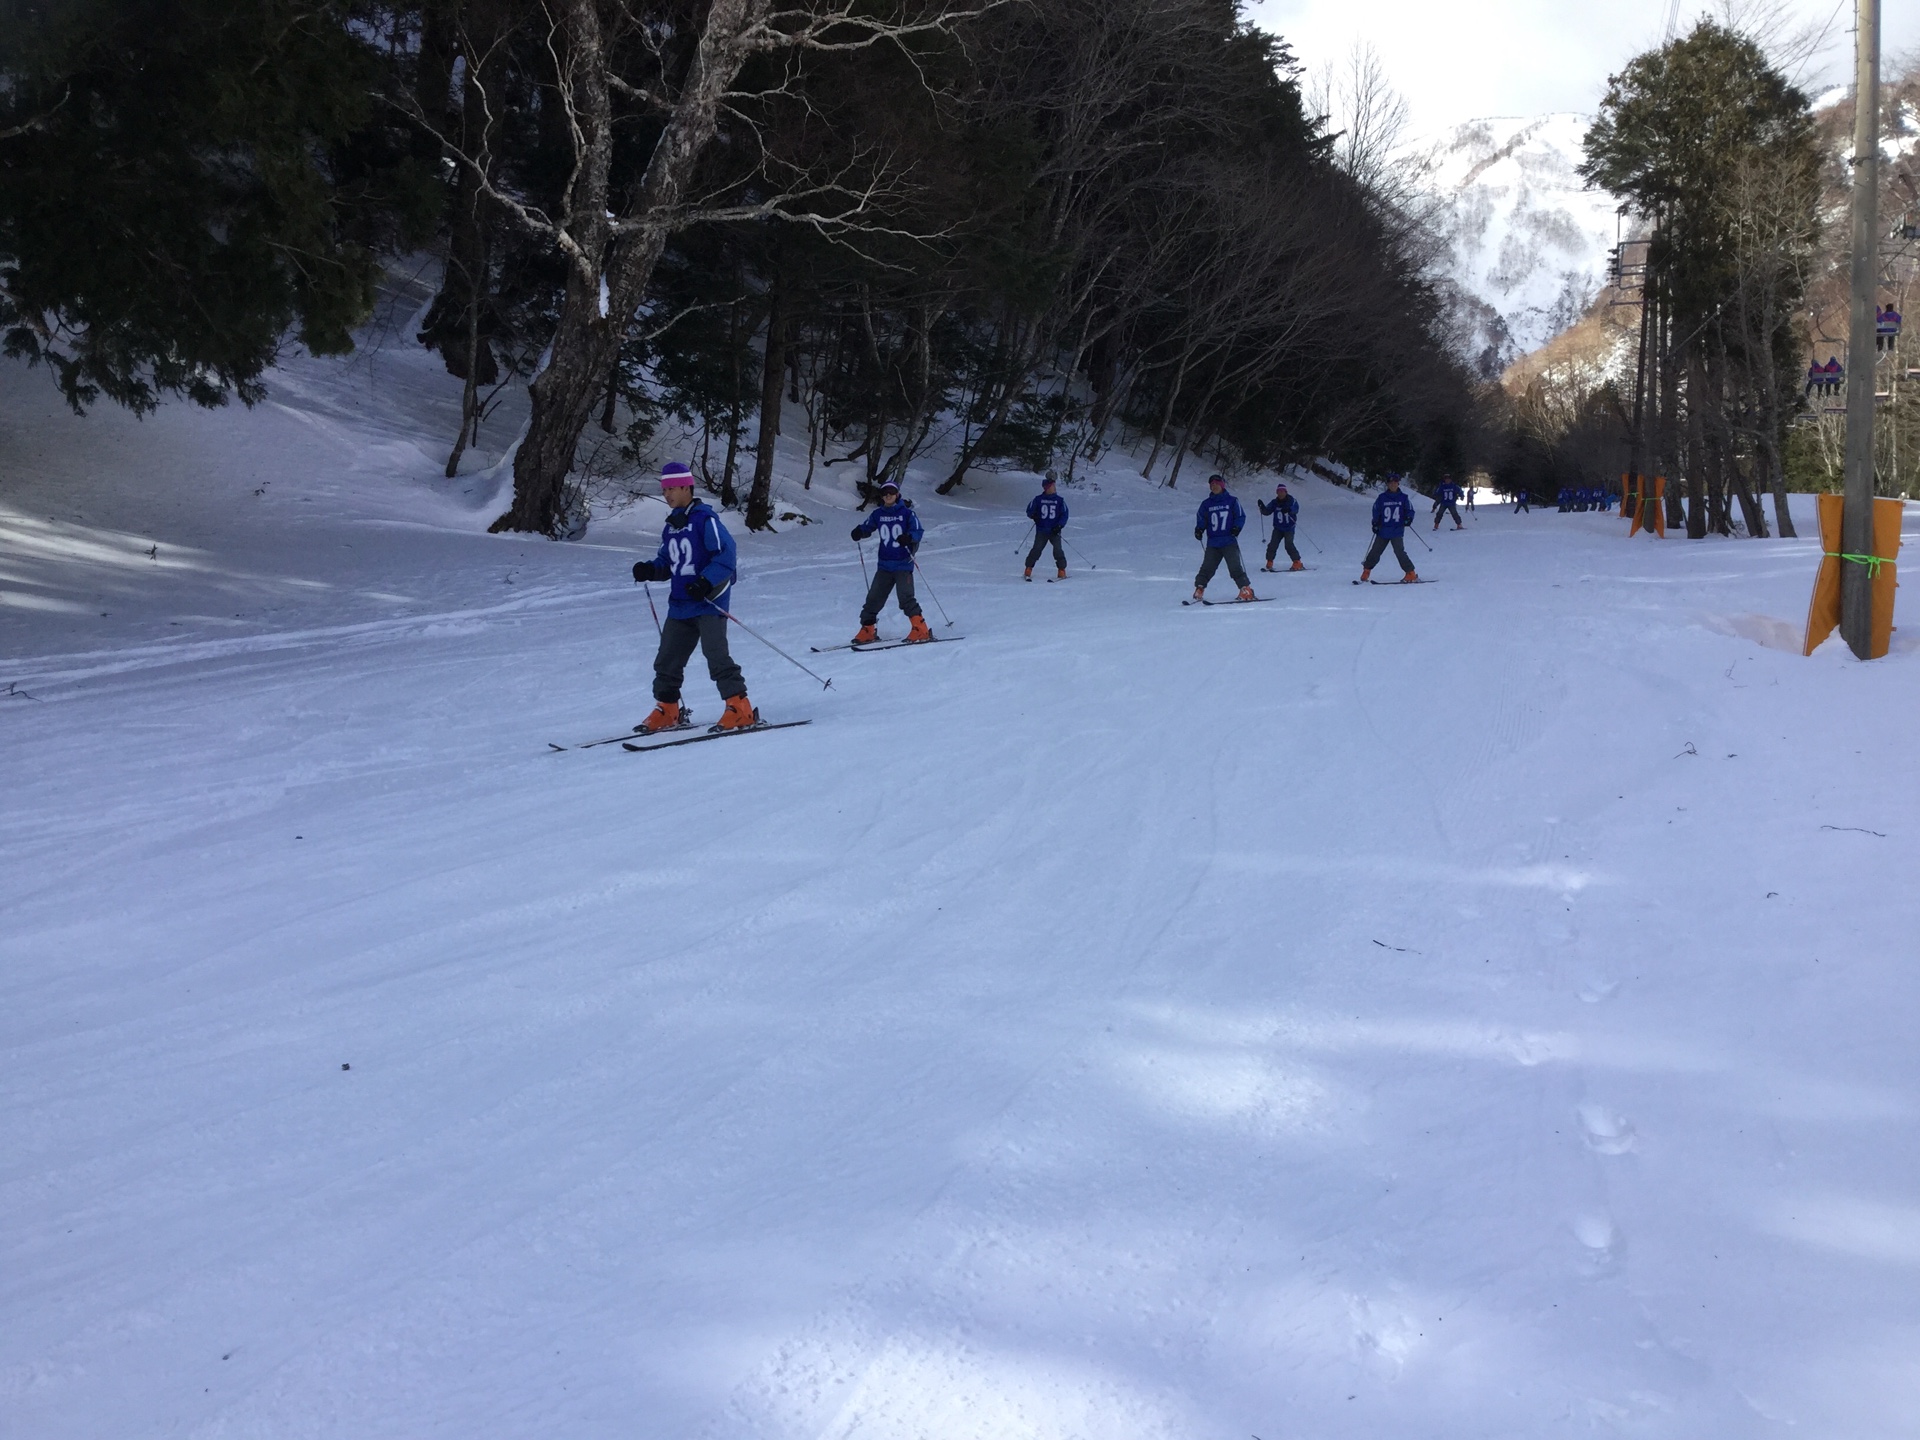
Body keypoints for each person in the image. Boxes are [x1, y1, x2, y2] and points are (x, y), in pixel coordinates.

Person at [630, 460, 754, 733]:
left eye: (672, 489)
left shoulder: (705, 520)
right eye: (664, 490)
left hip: (709, 602)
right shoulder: (672, 526)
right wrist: (650, 569)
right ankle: (668, 709)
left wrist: (705, 582)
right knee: (667, 659)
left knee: (716, 656)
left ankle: (739, 708)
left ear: (687, 487)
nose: (667, 495)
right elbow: (668, 563)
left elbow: (726, 556)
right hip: (680, 604)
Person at [850, 478, 931, 643]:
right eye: (885, 492)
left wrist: (909, 537)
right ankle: (868, 630)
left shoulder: (907, 514)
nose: (888, 495)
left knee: (906, 598)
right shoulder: (878, 514)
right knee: (873, 599)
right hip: (884, 565)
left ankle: (921, 630)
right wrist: (859, 532)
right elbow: (868, 527)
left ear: (897, 494)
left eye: (891, 492)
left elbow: (918, 531)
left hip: (903, 563)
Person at [1193, 473, 1254, 601]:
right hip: (1213, 542)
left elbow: (1240, 516)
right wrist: (1199, 529)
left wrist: (1237, 527)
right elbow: (1201, 517)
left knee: (1234, 567)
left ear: (1222, 485)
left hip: (1228, 541)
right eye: (1212, 485)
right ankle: (1200, 588)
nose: (1214, 486)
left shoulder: (1232, 501)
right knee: (1207, 567)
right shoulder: (1206, 504)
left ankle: (1245, 589)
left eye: (1216, 484)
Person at [1359, 474, 1419, 583]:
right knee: (1375, 551)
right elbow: (1376, 510)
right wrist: (1375, 523)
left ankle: (1411, 573)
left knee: (1399, 552)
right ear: (1387, 484)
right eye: (1390, 483)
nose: (1393, 485)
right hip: (1383, 530)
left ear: (1398, 484)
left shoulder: (1404, 497)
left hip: (1397, 530)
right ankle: (1366, 571)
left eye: (1395, 483)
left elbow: (1410, 510)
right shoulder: (1382, 498)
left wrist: (1409, 518)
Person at [1024, 473, 1069, 579]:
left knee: (1058, 550)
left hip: (1054, 531)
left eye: (1054, 486)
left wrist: (1060, 525)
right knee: (1036, 549)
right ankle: (1028, 568)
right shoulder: (1038, 499)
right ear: (1046, 488)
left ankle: (1061, 569)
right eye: (1052, 487)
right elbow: (1029, 510)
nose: (1054, 488)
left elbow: (1065, 514)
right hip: (1042, 530)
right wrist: (1034, 515)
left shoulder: (1059, 500)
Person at [1258, 481, 1302, 571]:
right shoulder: (1274, 502)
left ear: (1286, 492)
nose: (1281, 494)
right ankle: (1269, 562)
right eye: (1279, 492)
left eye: (1282, 491)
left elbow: (1296, 509)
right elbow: (1267, 511)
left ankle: (1297, 562)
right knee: (1272, 545)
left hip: (1289, 528)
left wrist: (1289, 509)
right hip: (1278, 528)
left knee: (1288, 545)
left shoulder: (1291, 500)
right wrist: (1262, 508)